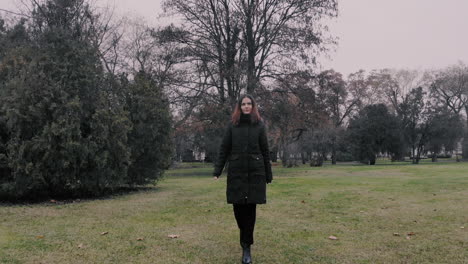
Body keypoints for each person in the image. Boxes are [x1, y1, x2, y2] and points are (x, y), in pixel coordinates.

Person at [213, 94, 273, 264]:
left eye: (249, 104)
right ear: (239, 107)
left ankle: (246, 247)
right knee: (238, 210)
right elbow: (224, 148)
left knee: (250, 210)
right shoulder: (232, 125)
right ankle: (244, 237)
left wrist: (268, 174)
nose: (246, 106)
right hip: (237, 173)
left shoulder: (259, 126)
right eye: (243, 104)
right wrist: (218, 170)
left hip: (255, 173)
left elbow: (265, 150)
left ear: (253, 106)